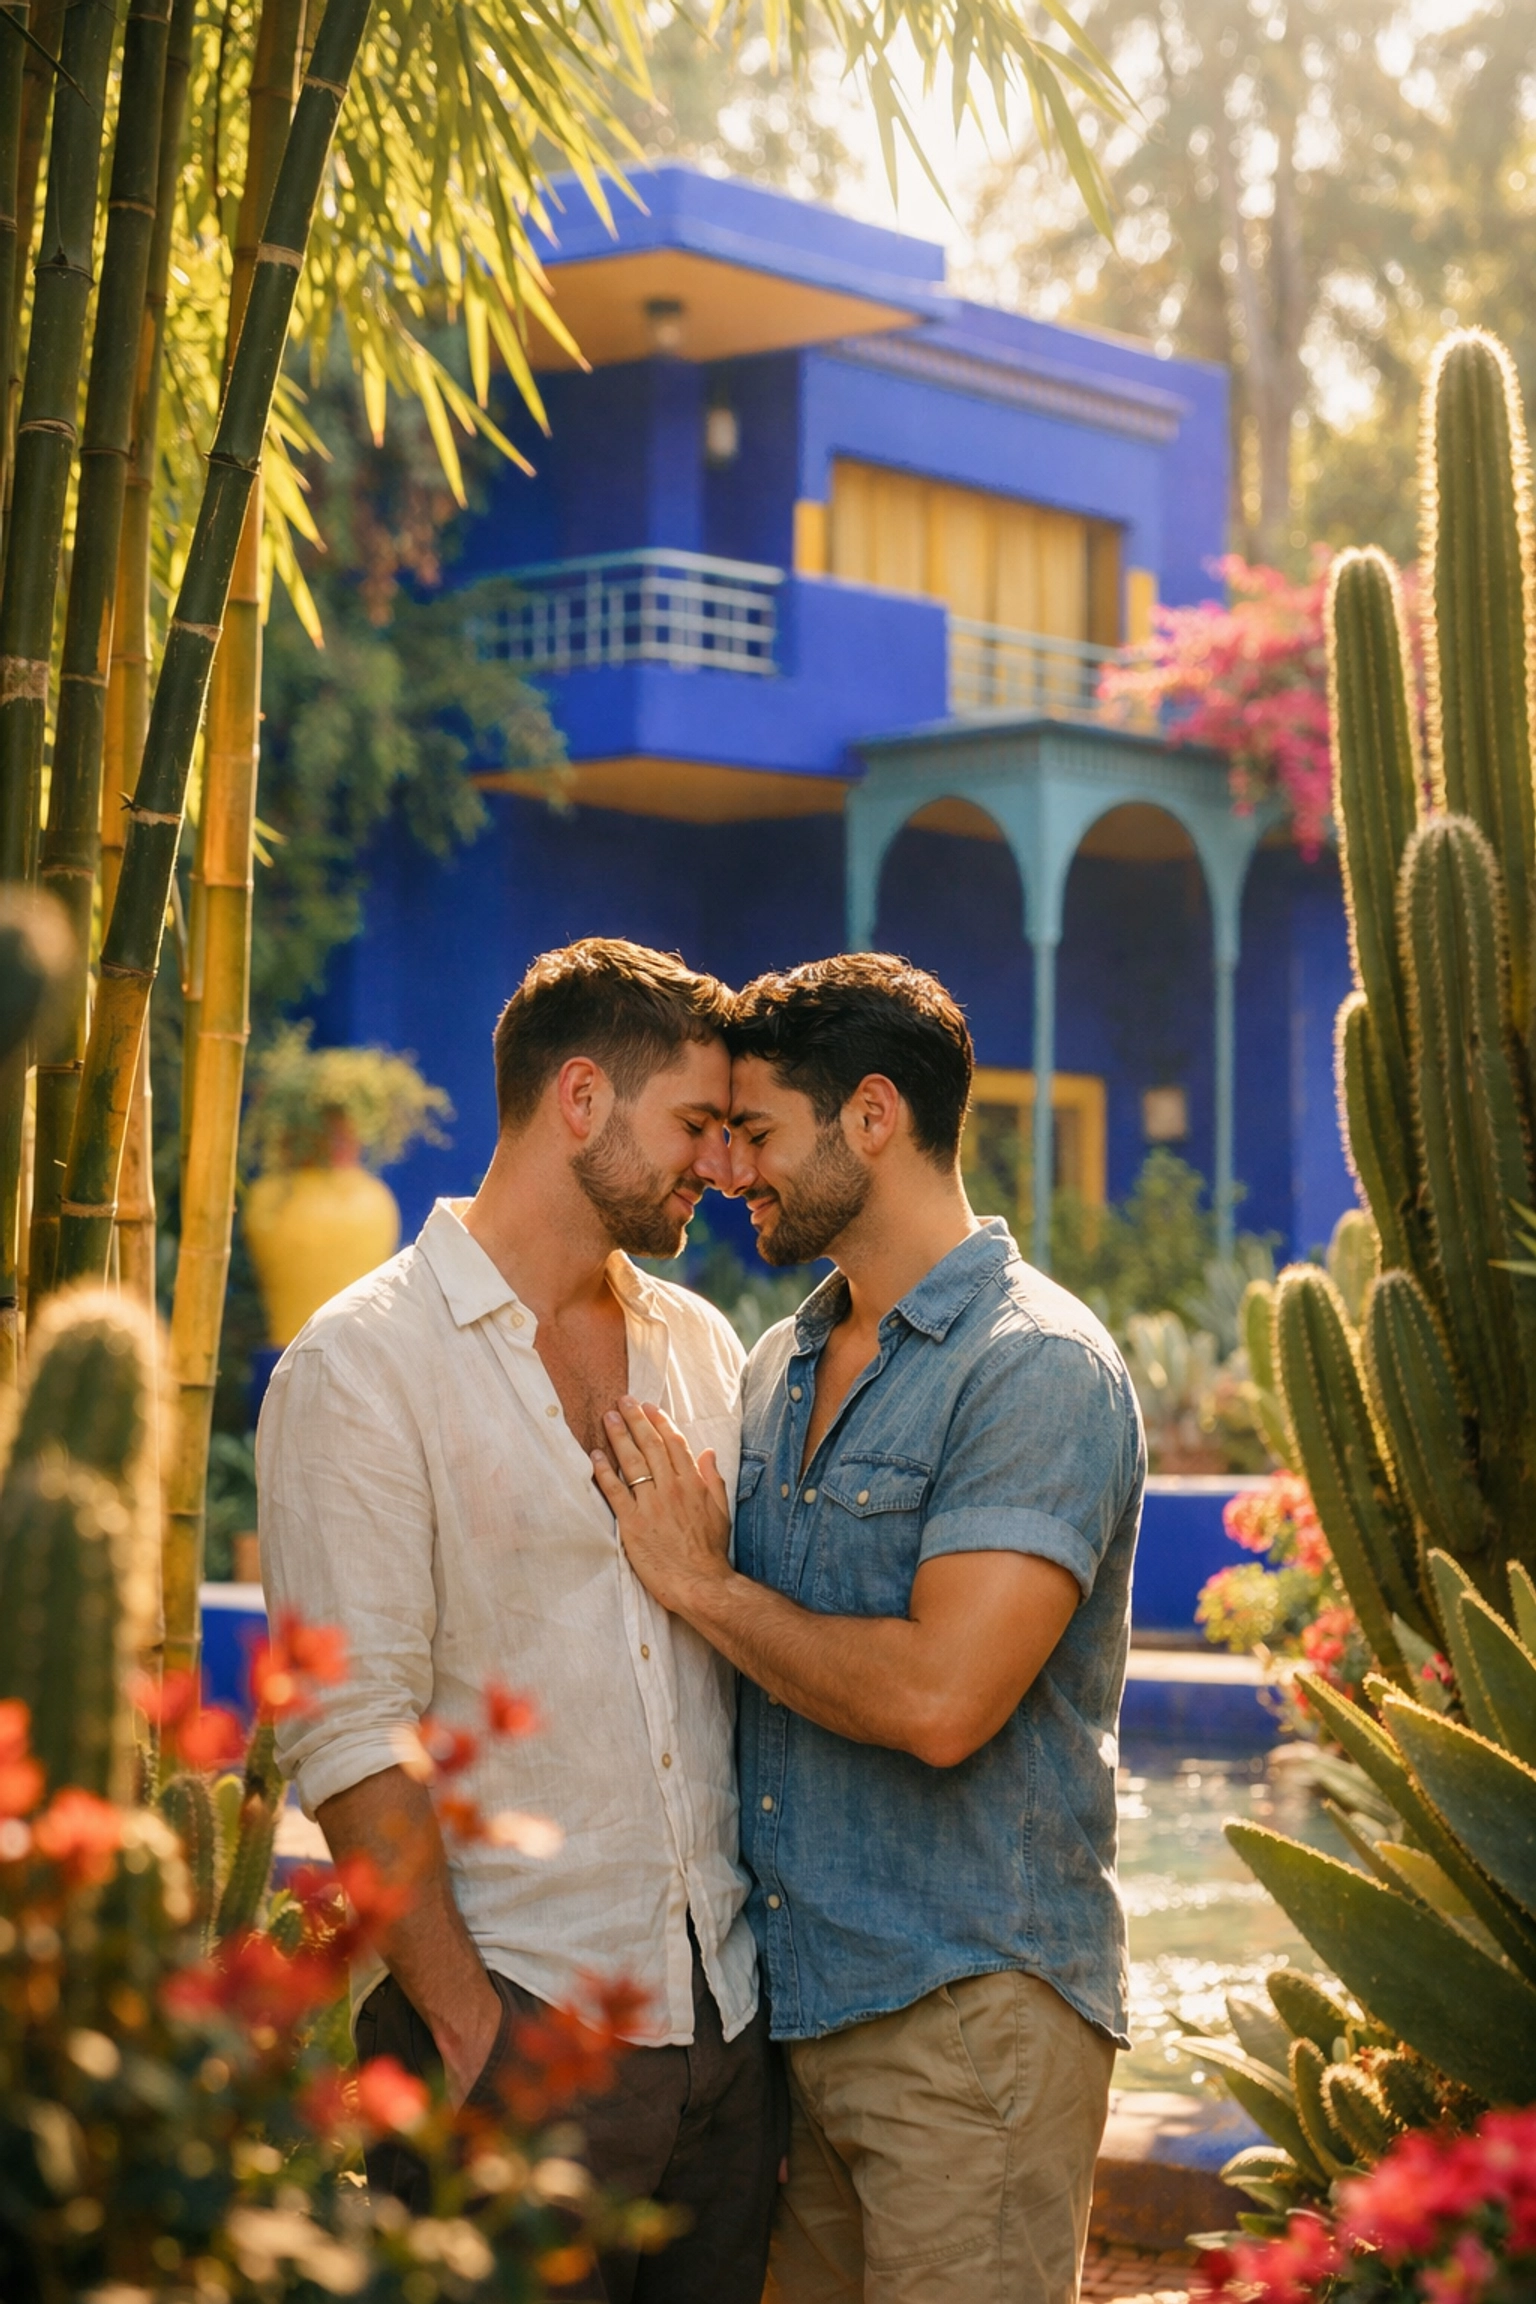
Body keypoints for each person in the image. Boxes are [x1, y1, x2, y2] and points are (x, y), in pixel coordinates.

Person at [593, 952, 1143, 2304]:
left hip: (970, 2027)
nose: (734, 1174)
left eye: (762, 1134)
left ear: (874, 1118)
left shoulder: (1035, 1369)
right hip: (804, 2029)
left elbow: (942, 1701)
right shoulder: (780, 1362)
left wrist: (705, 1586)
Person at [258, 937, 779, 2304]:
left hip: (721, 2050)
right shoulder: (363, 1366)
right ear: (585, 1100)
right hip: (511, 2045)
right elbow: (347, 1735)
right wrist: (473, 2032)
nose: (717, 1166)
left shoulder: (701, 1348)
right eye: (695, 1124)